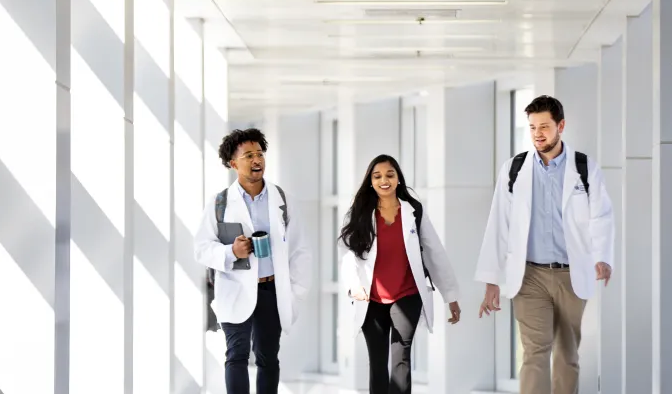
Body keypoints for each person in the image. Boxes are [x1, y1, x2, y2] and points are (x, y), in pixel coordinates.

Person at [475, 95, 615, 394]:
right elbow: (499, 223)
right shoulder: (514, 169)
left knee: (567, 357)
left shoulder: (584, 168)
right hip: (530, 276)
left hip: (571, 274)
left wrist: (602, 257)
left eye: (544, 126)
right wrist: (491, 280)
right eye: (532, 127)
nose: (538, 133)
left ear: (560, 126)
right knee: (534, 353)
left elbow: (601, 215)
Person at [194, 128, 311, 394]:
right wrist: (231, 252)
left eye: (259, 154)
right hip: (234, 288)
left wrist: (296, 291)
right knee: (236, 355)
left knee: (268, 357)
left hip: (271, 290)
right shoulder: (219, 203)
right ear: (233, 163)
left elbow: (301, 249)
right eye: (248, 155)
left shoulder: (283, 200)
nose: (257, 160)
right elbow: (201, 249)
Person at [339, 154, 461, 394]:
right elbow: (346, 252)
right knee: (377, 361)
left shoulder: (413, 211)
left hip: (407, 294)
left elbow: (435, 252)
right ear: (370, 182)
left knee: (401, 356)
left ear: (398, 179)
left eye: (389, 175)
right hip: (371, 299)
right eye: (378, 176)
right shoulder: (360, 213)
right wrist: (353, 284)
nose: (384, 180)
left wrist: (451, 295)